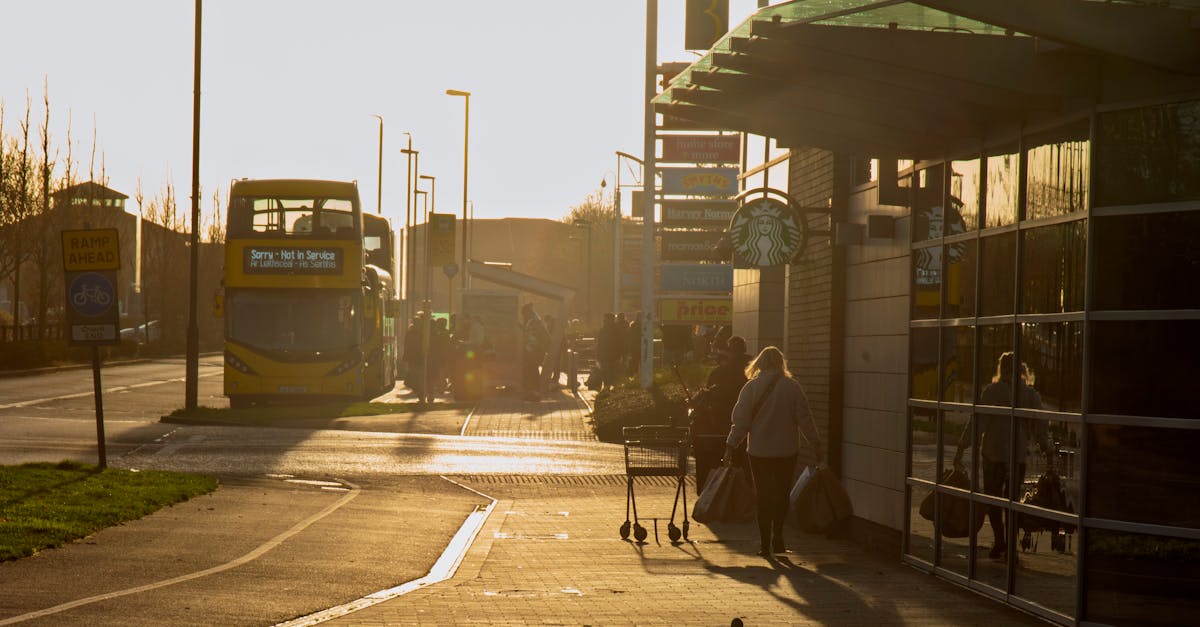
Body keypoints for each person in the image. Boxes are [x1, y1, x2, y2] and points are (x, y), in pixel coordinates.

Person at [955, 351, 1054, 560]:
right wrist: (1048, 450)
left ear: (1001, 368)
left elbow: (978, 422)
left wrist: (963, 446)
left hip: (993, 454)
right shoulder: (1030, 395)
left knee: (993, 500)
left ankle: (1000, 540)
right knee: (1012, 502)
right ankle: (1010, 546)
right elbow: (1040, 425)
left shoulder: (992, 391)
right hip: (1017, 457)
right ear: (1021, 370)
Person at [725, 346, 822, 557]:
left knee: (763, 495)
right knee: (781, 494)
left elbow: (740, 422)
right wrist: (816, 444)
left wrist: (731, 445)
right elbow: (805, 420)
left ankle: (764, 544)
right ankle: (778, 537)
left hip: (759, 451)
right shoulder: (792, 388)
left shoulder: (750, 388)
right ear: (781, 363)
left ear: (759, 363)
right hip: (787, 451)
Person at [691, 335, 753, 491]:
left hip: (720, 424)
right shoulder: (752, 372)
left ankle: (721, 492)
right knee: (743, 464)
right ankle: (743, 495)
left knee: (721, 461)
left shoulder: (720, 373)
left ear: (729, 351)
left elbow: (709, 396)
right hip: (748, 426)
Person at [520, 302, 550, 401]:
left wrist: (528, 349)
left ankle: (534, 393)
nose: (524, 316)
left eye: (524, 314)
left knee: (532, 371)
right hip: (535, 350)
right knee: (532, 371)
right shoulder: (535, 320)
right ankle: (533, 392)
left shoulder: (533, 322)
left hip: (534, 351)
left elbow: (532, 338)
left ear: (527, 312)